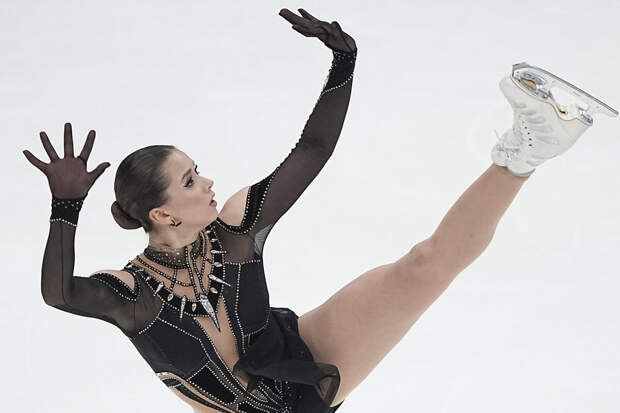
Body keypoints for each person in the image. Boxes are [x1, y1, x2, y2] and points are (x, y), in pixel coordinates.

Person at [23, 7, 616, 413]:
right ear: (162, 214)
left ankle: (528, 148)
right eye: (189, 180)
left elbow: (312, 151)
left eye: (198, 169)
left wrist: (343, 64)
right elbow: (59, 294)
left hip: (300, 356)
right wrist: (65, 208)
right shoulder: (131, 294)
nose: (208, 182)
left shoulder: (238, 226)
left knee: (422, 265)